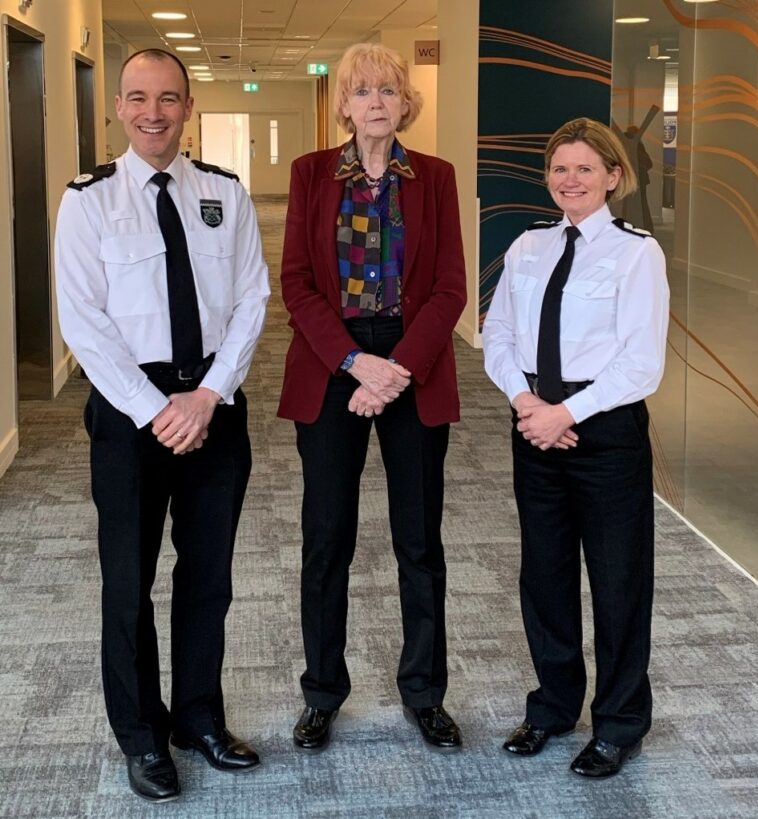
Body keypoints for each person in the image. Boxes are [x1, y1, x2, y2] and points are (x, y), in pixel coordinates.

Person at [54, 49, 270, 802]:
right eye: (139, 98)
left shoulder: (224, 193)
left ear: (188, 107)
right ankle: (142, 735)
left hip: (214, 405)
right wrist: (157, 410)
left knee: (209, 577)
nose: (154, 113)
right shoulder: (87, 202)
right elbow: (83, 321)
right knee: (128, 582)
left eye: (169, 98)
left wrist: (207, 396)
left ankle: (199, 718)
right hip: (129, 413)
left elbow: (252, 299)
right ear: (119, 106)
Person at [278, 43, 467, 752]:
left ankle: (424, 693)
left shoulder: (437, 177)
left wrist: (397, 369)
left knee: (419, 541)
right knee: (327, 540)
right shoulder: (311, 173)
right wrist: (357, 364)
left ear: (405, 102)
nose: (376, 102)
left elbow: (450, 287)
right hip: (334, 358)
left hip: (413, 360)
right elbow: (297, 283)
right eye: (362, 91)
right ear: (344, 106)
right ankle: (322, 692)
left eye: (388, 90)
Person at [483, 117, 669, 778]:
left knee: (618, 581)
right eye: (560, 168)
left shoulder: (637, 253)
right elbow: (497, 334)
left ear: (614, 176)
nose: (570, 180)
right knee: (546, 575)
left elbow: (642, 363)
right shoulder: (528, 246)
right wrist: (527, 404)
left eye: (585, 168)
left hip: (605, 431)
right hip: (535, 425)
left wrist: (566, 413)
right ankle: (554, 707)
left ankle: (619, 723)